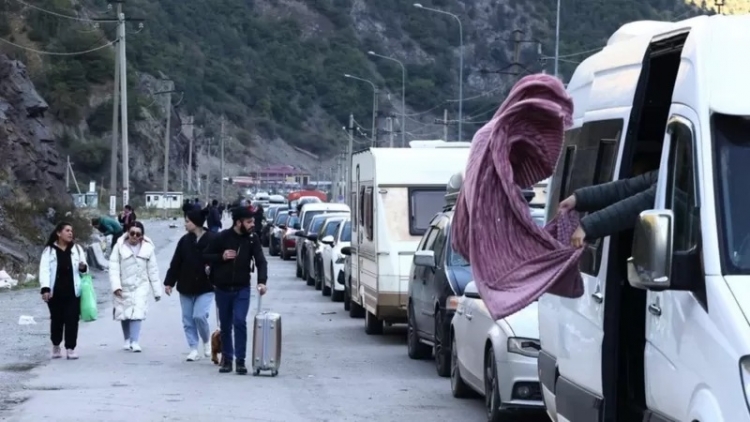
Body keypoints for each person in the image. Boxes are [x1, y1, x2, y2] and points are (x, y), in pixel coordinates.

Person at [204, 206, 268, 374]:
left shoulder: (252, 239)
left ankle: (240, 361)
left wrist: (262, 282)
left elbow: (261, 261)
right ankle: (227, 359)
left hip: (242, 288)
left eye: (253, 221)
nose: (252, 224)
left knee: (239, 321)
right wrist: (221, 257)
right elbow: (205, 256)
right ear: (238, 222)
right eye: (249, 222)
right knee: (225, 326)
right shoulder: (221, 237)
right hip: (222, 289)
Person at [560, 165, 658, 248]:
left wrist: (588, 226)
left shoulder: (672, 178)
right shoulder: (664, 173)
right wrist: (578, 199)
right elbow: (625, 188)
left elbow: (645, 202)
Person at [164, 210, 216, 361]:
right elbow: (176, 263)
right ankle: (193, 348)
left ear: (196, 222)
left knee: (199, 316)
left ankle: (206, 341)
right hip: (185, 286)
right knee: (187, 319)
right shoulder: (184, 241)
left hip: (206, 286)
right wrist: (169, 282)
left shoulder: (213, 239)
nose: (185, 224)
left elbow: (219, 259)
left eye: (187, 221)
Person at [109, 221, 162, 353]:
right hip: (123, 284)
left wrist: (157, 291)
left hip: (140, 285)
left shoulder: (148, 249)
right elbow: (114, 268)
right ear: (127, 233)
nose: (134, 236)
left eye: (137, 234)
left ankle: (135, 341)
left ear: (142, 236)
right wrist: (116, 286)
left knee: (137, 312)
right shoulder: (119, 247)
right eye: (132, 233)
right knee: (124, 313)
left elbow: (153, 271)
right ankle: (127, 339)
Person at [39, 222, 89, 360]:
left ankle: (71, 348)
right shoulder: (49, 251)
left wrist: (83, 268)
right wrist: (45, 289)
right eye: (67, 230)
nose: (70, 233)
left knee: (72, 320)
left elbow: (85, 270)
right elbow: (44, 271)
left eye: (71, 231)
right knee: (57, 320)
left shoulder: (76, 249)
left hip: (73, 291)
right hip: (56, 292)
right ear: (58, 233)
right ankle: (56, 345)